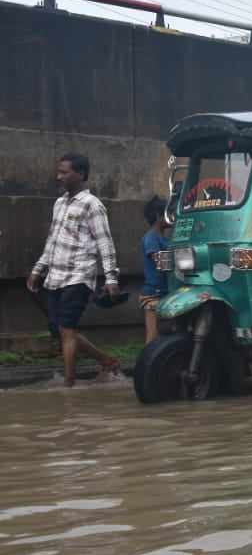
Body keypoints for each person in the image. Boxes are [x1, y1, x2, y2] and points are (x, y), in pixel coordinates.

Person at [25, 153, 122, 387]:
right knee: (59, 329)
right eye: (58, 172)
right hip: (55, 276)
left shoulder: (93, 205)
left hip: (79, 275)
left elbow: (104, 243)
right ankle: (107, 361)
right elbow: (52, 241)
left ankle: (69, 385)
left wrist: (111, 277)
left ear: (80, 175)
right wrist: (38, 269)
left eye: (64, 172)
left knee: (67, 329)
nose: (59, 177)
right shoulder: (59, 204)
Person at [139, 195, 170, 344]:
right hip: (154, 293)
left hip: (163, 291)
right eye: (168, 213)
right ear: (159, 215)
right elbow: (161, 263)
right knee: (152, 337)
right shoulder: (151, 238)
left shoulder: (163, 238)